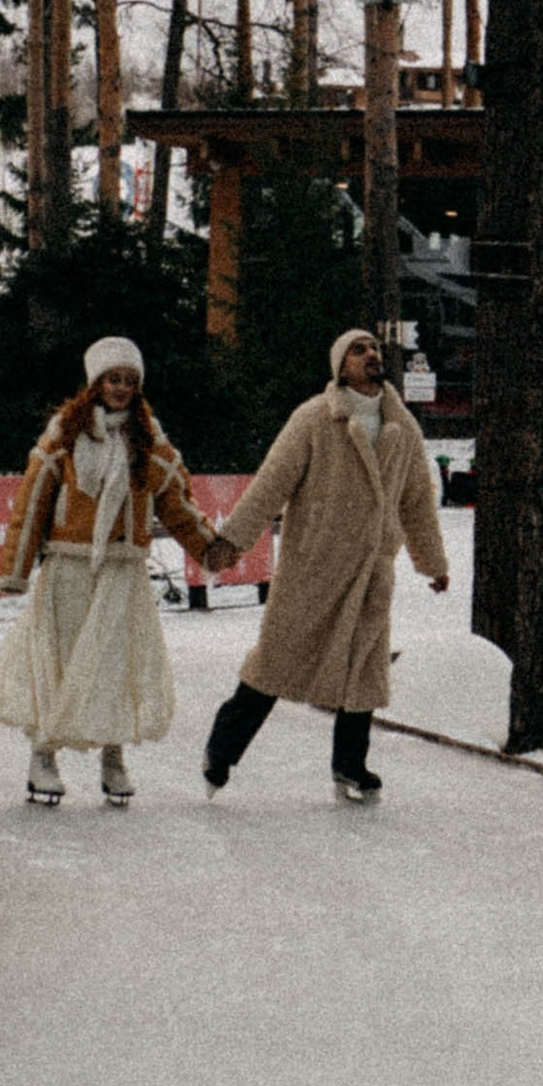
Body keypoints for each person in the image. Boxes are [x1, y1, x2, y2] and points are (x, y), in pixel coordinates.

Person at [199, 325, 451, 803]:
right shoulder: (314, 419)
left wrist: (432, 562)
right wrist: (232, 540)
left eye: (374, 348)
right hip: (314, 565)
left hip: (373, 569)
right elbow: (272, 483)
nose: (371, 354)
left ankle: (351, 765)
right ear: (341, 366)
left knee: (365, 669)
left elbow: (417, 501)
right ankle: (223, 747)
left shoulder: (403, 427)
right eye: (359, 350)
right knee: (276, 660)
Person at [0, 335, 217, 808]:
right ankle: (43, 755)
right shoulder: (64, 438)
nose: (121, 388)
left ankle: (112, 757)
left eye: (130, 381)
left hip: (121, 567)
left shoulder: (150, 443)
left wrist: (212, 549)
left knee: (114, 662)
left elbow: (178, 505)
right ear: (96, 383)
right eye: (113, 379)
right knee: (62, 660)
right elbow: (32, 503)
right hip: (70, 564)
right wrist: (16, 568)